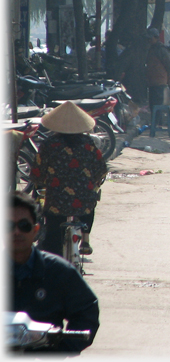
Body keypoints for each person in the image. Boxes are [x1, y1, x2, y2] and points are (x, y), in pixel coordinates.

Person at [11, 191, 100, 353]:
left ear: (36, 230)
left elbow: (87, 313)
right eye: (9, 226)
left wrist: (58, 351)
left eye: (24, 226)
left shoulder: (59, 271)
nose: (16, 232)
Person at [29, 101, 107, 256]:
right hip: (84, 198)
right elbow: (101, 169)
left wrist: (40, 182)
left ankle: (55, 260)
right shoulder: (88, 143)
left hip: (57, 198)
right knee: (90, 202)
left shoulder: (49, 144)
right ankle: (85, 239)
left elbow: (38, 172)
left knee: (52, 232)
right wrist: (94, 182)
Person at [145, 27, 170, 123]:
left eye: (151, 38)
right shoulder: (150, 49)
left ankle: (158, 123)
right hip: (152, 82)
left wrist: (169, 78)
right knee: (152, 105)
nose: (149, 41)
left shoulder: (161, 49)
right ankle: (155, 122)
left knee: (158, 104)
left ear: (156, 37)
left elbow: (169, 65)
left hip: (160, 81)